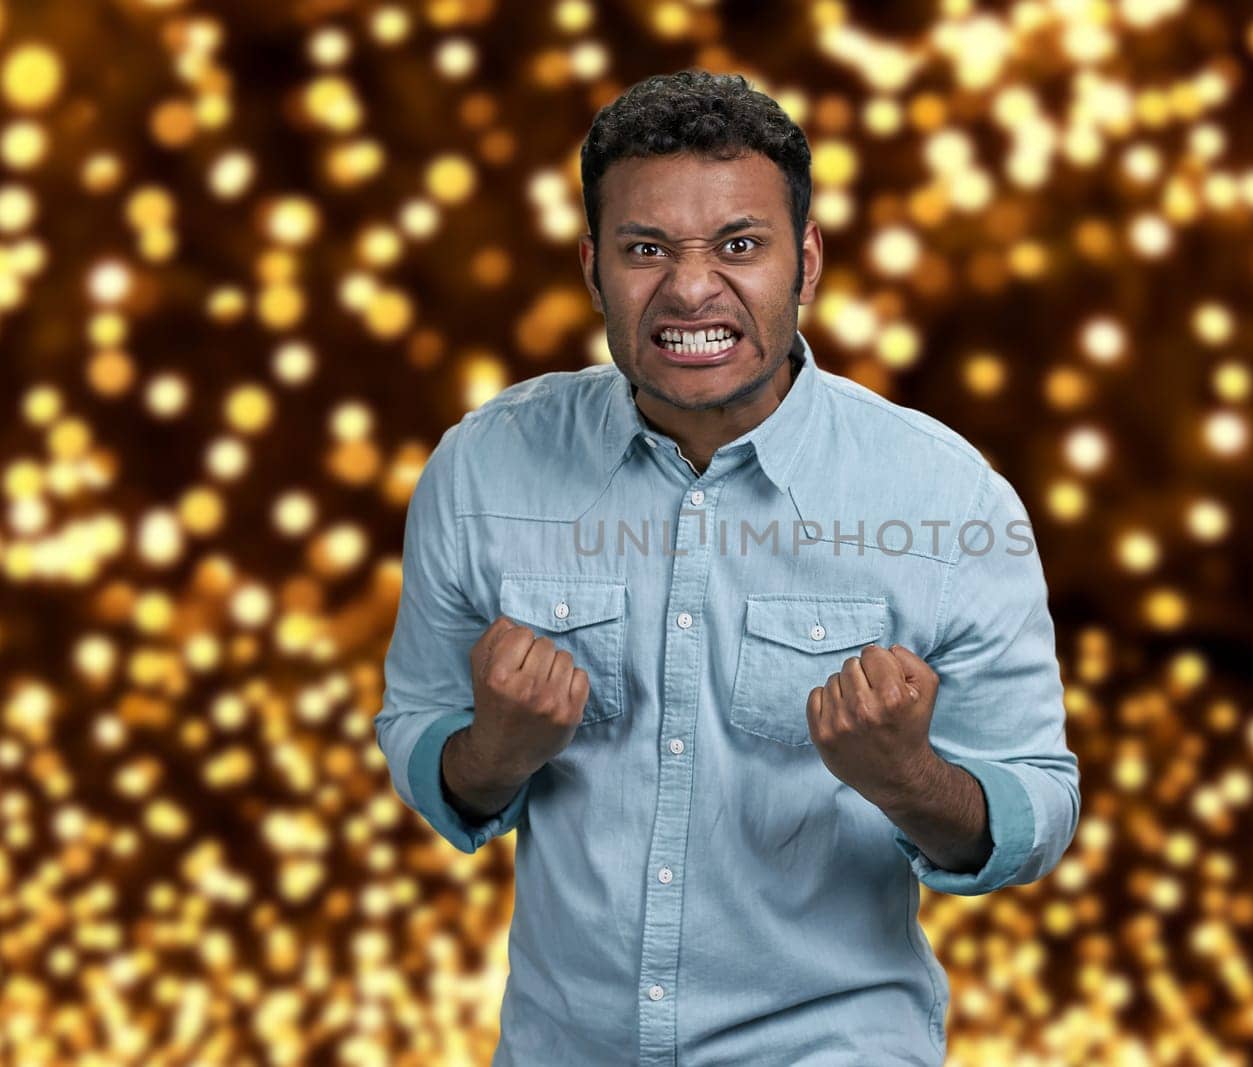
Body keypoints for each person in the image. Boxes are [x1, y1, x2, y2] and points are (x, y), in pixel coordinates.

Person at [375, 69, 1081, 1066]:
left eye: (739, 246)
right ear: (592, 268)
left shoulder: (948, 500)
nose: (691, 287)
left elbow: (1041, 802)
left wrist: (910, 779)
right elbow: (416, 731)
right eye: (645, 248)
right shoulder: (482, 470)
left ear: (807, 262)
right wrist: (495, 747)